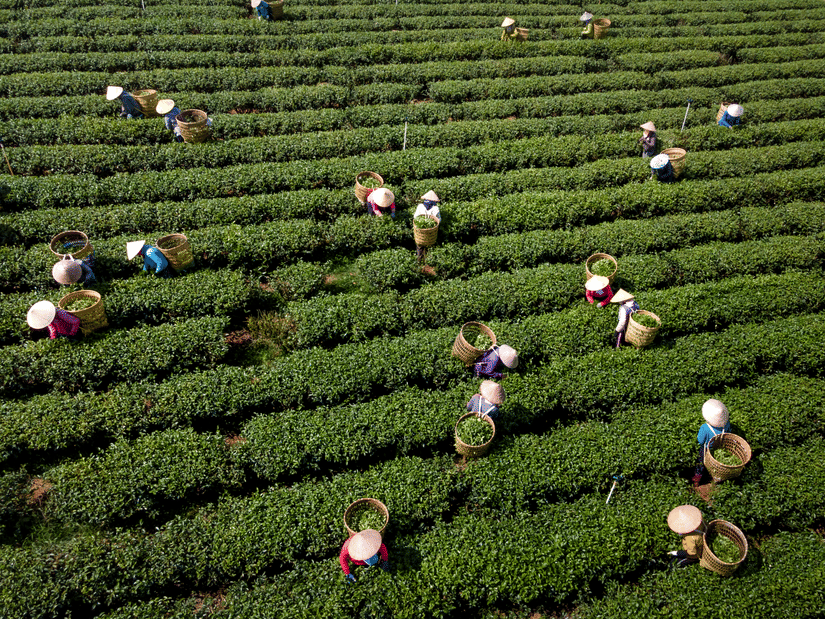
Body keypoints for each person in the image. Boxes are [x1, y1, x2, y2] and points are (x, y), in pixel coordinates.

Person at [692, 399, 731, 487]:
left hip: (706, 449)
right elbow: (729, 433)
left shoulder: (705, 427)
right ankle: (715, 478)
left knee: (700, 464)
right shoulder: (727, 424)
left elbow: (700, 441)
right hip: (718, 448)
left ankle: (696, 481)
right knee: (715, 465)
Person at [414, 190, 441, 261]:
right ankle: (427, 261)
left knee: (420, 245)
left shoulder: (420, 206)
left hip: (420, 232)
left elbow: (415, 217)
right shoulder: (435, 208)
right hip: (431, 233)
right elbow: (439, 220)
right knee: (429, 245)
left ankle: (419, 260)